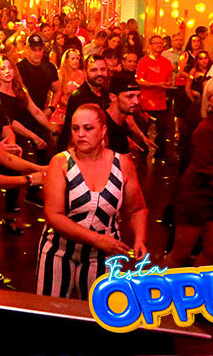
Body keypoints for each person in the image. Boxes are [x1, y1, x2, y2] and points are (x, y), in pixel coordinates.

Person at [36, 104, 148, 299]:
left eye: (88, 128)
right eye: (75, 128)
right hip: (58, 251)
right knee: (49, 309)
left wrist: (139, 239)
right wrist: (98, 240)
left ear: (103, 130)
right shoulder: (60, 163)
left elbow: (137, 209)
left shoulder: (122, 164)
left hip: (104, 255)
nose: (80, 134)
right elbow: (54, 215)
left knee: (98, 311)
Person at [166, 77, 213, 267]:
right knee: (181, 253)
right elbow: (209, 174)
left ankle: (197, 284)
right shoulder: (205, 129)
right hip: (196, 197)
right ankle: (161, 283)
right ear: (209, 101)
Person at [58, 55, 110, 151]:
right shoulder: (79, 97)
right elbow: (69, 131)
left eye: (102, 69)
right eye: (94, 70)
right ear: (85, 73)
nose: (99, 73)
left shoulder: (107, 94)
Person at [136, 35, 173, 162]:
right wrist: (156, 85)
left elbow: (169, 79)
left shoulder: (167, 62)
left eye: (161, 43)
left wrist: (167, 84)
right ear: (150, 45)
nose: (159, 45)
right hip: (146, 102)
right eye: (156, 43)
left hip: (161, 102)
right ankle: (142, 153)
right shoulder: (143, 61)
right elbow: (139, 81)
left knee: (162, 131)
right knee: (143, 129)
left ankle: (160, 154)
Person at [17, 34, 62, 117]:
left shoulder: (49, 67)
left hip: (42, 113)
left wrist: (51, 108)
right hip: (22, 114)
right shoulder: (19, 68)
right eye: (34, 50)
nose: (37, 53)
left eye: (40, 50)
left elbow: (58, 89)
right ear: (26, 49)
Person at [105, 73, 142, 155]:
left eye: (138, 96)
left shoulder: (122, 122)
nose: (136, 102)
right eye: (130, 96)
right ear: (113, 97)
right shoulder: (103, 126)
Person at [51, 48, 85, 126]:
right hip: (61, 111)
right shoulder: (59, 74)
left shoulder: (82, 74)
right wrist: (70, 105)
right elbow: (57, 95)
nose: (75, 61)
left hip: (77, 110)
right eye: (72, 59)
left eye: (77, 58)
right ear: (66, 60)